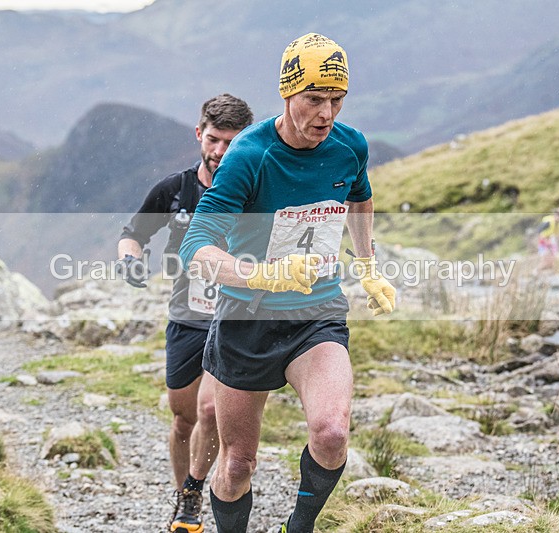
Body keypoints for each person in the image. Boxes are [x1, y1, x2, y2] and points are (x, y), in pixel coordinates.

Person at [178, 33, 396, 533]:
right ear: (287, 94)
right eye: (314, 100)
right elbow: (198, 246)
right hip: (246, 318)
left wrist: (367, 264)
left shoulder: (349, 146)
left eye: (337, 101)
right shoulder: (250, 155)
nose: (326, 114)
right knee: (236, 465)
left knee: (332, 432)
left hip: (315, 312)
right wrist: (264, 275)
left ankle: (299, 527)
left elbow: (360, 197)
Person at [117, 94, 253, 533]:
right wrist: (130, 259)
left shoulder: (257, 190)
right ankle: (185, 499)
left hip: (234, 319)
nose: (220, 152)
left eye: (233, 143)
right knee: (184, 417)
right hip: (186, 318)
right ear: (199, 134)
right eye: (214, 140)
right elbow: (133, 233)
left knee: (210, 410)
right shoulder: (174, 189)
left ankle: (196, 498)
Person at [537, 207, 559, 271]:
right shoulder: (549, 221)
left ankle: (549, 274)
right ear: (556, 215)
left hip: (550, 240)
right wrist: (545, 241)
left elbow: (558, 233)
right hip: (543, 241)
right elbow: (539, 231)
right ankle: (537, 272)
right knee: (545, 260)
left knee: (552, 261)